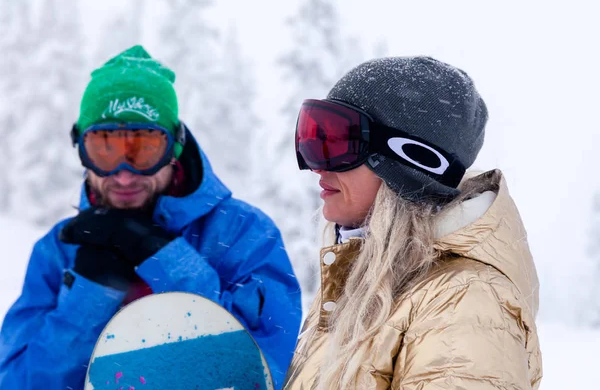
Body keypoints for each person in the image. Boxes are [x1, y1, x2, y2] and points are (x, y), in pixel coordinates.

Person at [0, 45, 301, 390]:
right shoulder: (58, 250)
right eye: (106, 150)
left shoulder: (245, 235)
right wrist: (90, 292)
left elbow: (269, 371)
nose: (125, 175)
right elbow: (18, 383)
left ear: (174, 147)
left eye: (143, 150)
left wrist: (168, 260)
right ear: (82, 152)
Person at [284, 56, 542, 389]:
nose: (317, 166)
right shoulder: (364, 280)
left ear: (405, 163)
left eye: (336, 142)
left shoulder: (461, 303)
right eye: (314, 135)